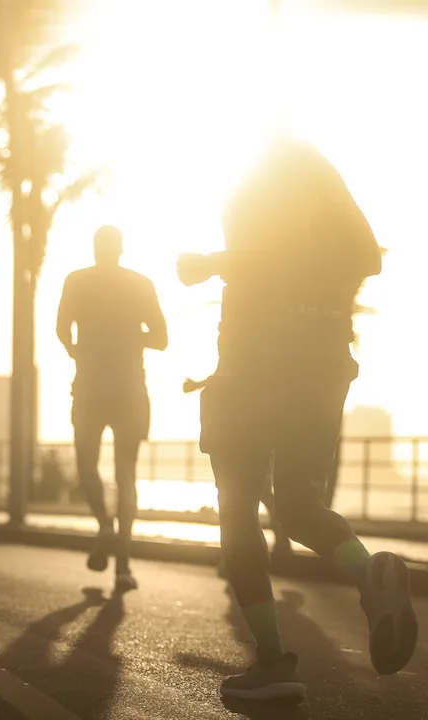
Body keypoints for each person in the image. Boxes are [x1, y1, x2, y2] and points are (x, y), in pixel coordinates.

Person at [178, 137, 417, 701]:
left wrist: (207, 264)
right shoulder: (329, 190)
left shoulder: (251, 186)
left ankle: (271, 663)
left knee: (237, 509)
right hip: (325, 370)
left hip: (254, 373)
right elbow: (370, 259)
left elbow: (264, 258)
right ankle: (370, 576)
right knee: (300, 507)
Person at [56, 226, 168, 593]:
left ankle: (105, 526)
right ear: (120, 250)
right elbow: (162, 339)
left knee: (87, 463)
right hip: (130, 390)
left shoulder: (76, 281)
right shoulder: (140, 283)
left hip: (89, 388)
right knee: (126, 475)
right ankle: (123, 566)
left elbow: (60, 330)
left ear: (95, 249)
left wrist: (79, 352)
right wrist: (131, 336)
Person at [183, 375, 293, 576]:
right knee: (253, 495)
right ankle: (276, 541)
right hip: (255, 429)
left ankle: (238, 558)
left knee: (236, 499)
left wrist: (197, 386)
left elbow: (227, 371)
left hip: (241, 431)